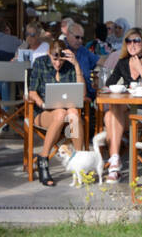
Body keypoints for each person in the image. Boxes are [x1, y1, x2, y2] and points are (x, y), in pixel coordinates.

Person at [101, 28, 142, 182]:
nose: (132, 44)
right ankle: (115, 162)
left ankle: (114, 164)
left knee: (110, 115)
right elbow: (109, 84)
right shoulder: (122, 62)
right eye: (129, 41)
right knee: (111, 112)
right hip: (127, 111)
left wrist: (141, 70)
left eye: (136, 41)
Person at [27, 38, 82, 186]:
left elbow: (80, 93)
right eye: (54, 59)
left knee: (73, 113)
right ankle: (43, 157)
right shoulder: (40, 63)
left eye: (61, 60)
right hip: (42, 112)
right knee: (60, 113)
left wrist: (76, 65)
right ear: (48, 53)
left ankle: (78, 160)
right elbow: (32, 92)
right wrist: (43, 104)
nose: (58, 63)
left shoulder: (69, 66)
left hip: (65, 114)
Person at [62, 21, 98, 98]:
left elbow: (99, 61)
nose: (80, 41)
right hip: (68, 94)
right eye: (77, 37)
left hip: (89, 94)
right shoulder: (60, 48)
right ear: (68, 34)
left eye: (82, 38)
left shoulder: (83, 50)